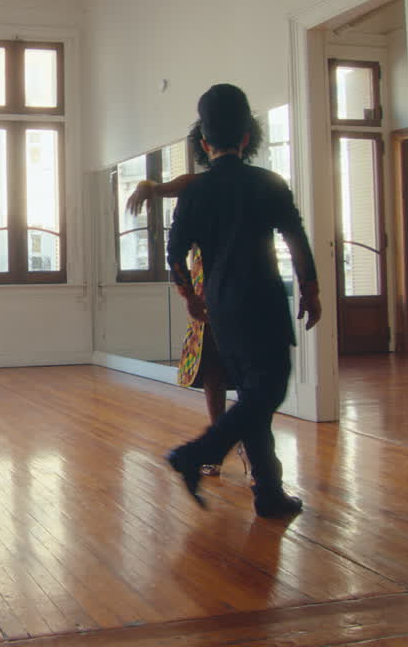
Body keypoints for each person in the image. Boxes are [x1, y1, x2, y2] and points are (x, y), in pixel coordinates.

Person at [163, 84, 322, 518]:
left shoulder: (195, 191)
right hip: (264, 302)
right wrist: (310, 289)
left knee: (254, 396)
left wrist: (191, 296)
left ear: (203, 141)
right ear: (248, 137)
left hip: (222, 309)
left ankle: (269, 490)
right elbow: (296, 242)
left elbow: (174, 254)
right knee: (267, 389)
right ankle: (195, 453)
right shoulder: (268, 183)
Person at [125, 118, 263, 477]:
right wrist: (149, 186)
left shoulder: (251, 184)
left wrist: (150, 188)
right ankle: (222, 446)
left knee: (239, 372)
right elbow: (173, 186)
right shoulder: (205, 184)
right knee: (216, 369)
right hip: (215, 292)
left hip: (236, 290)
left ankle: (248, 446)